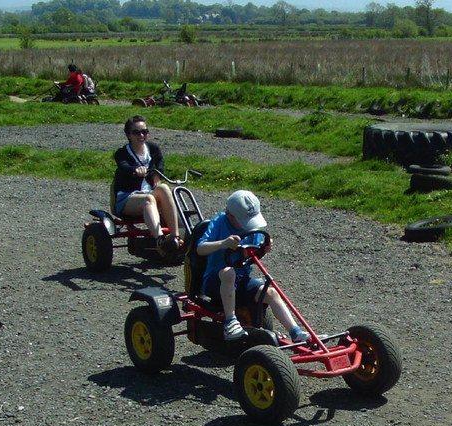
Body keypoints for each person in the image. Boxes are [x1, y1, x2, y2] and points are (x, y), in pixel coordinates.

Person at [194, 190, 308, 342]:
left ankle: (296, 333)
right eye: (244, 220)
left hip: (242, 280)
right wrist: (223, 243)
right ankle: (230, 322)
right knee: (229, 272)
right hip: (215, 282)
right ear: (229, 215)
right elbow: (200, 248)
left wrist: (264, 248)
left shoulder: (253, 228)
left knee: (271, 293)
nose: (247, 224)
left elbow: (252, 255)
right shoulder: (220, 222)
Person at [112, 115, 182, 256]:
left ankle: (175, 237)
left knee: (164, 188)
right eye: (136, 132)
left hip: (149, 193)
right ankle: (160, 240)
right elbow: (123, 167)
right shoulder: (122, 153)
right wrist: (135, 170)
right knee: (148, 199)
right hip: (127, 198)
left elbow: (160, 164)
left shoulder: (153, 149)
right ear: (128, 135)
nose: (141, 135)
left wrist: (157, 175)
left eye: (144, 131)